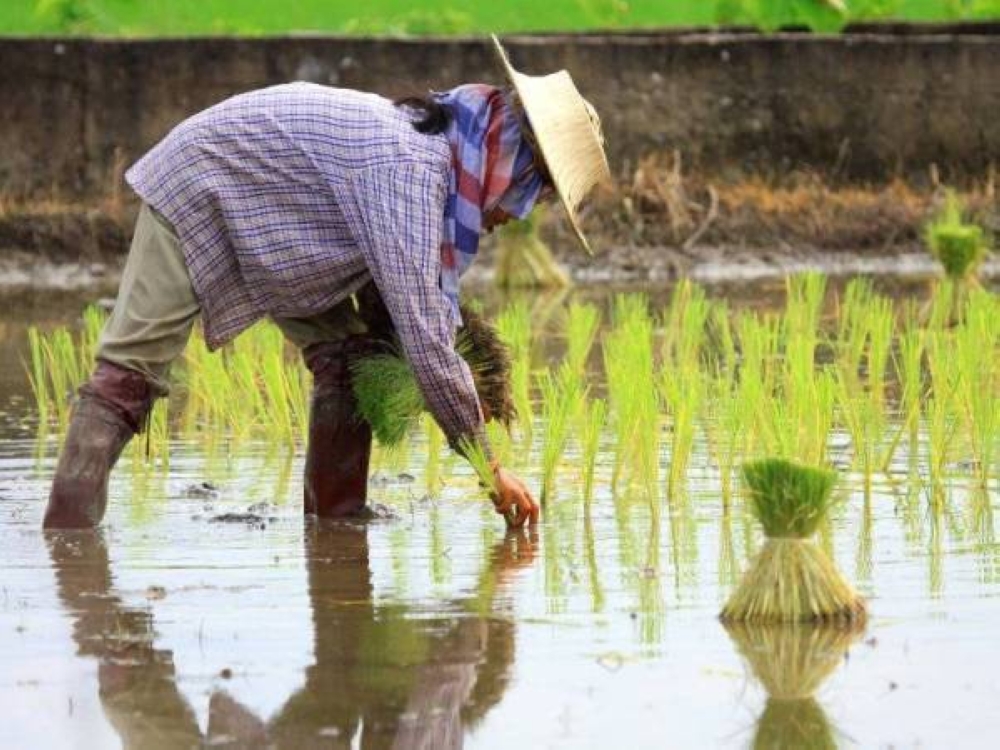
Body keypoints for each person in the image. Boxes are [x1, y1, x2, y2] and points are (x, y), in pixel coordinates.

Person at [42, 35, 611, 531]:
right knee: (130, 373)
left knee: (350, 357)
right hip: (204, 185)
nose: (519, 215)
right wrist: (491, 468)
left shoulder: (433, 165)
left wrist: (471, 386)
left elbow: (402, 310)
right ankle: (68, 541)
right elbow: (424, 334)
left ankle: (336, 524)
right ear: (509, 160)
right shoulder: (409, 172)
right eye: (531, 195)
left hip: (280, 222)